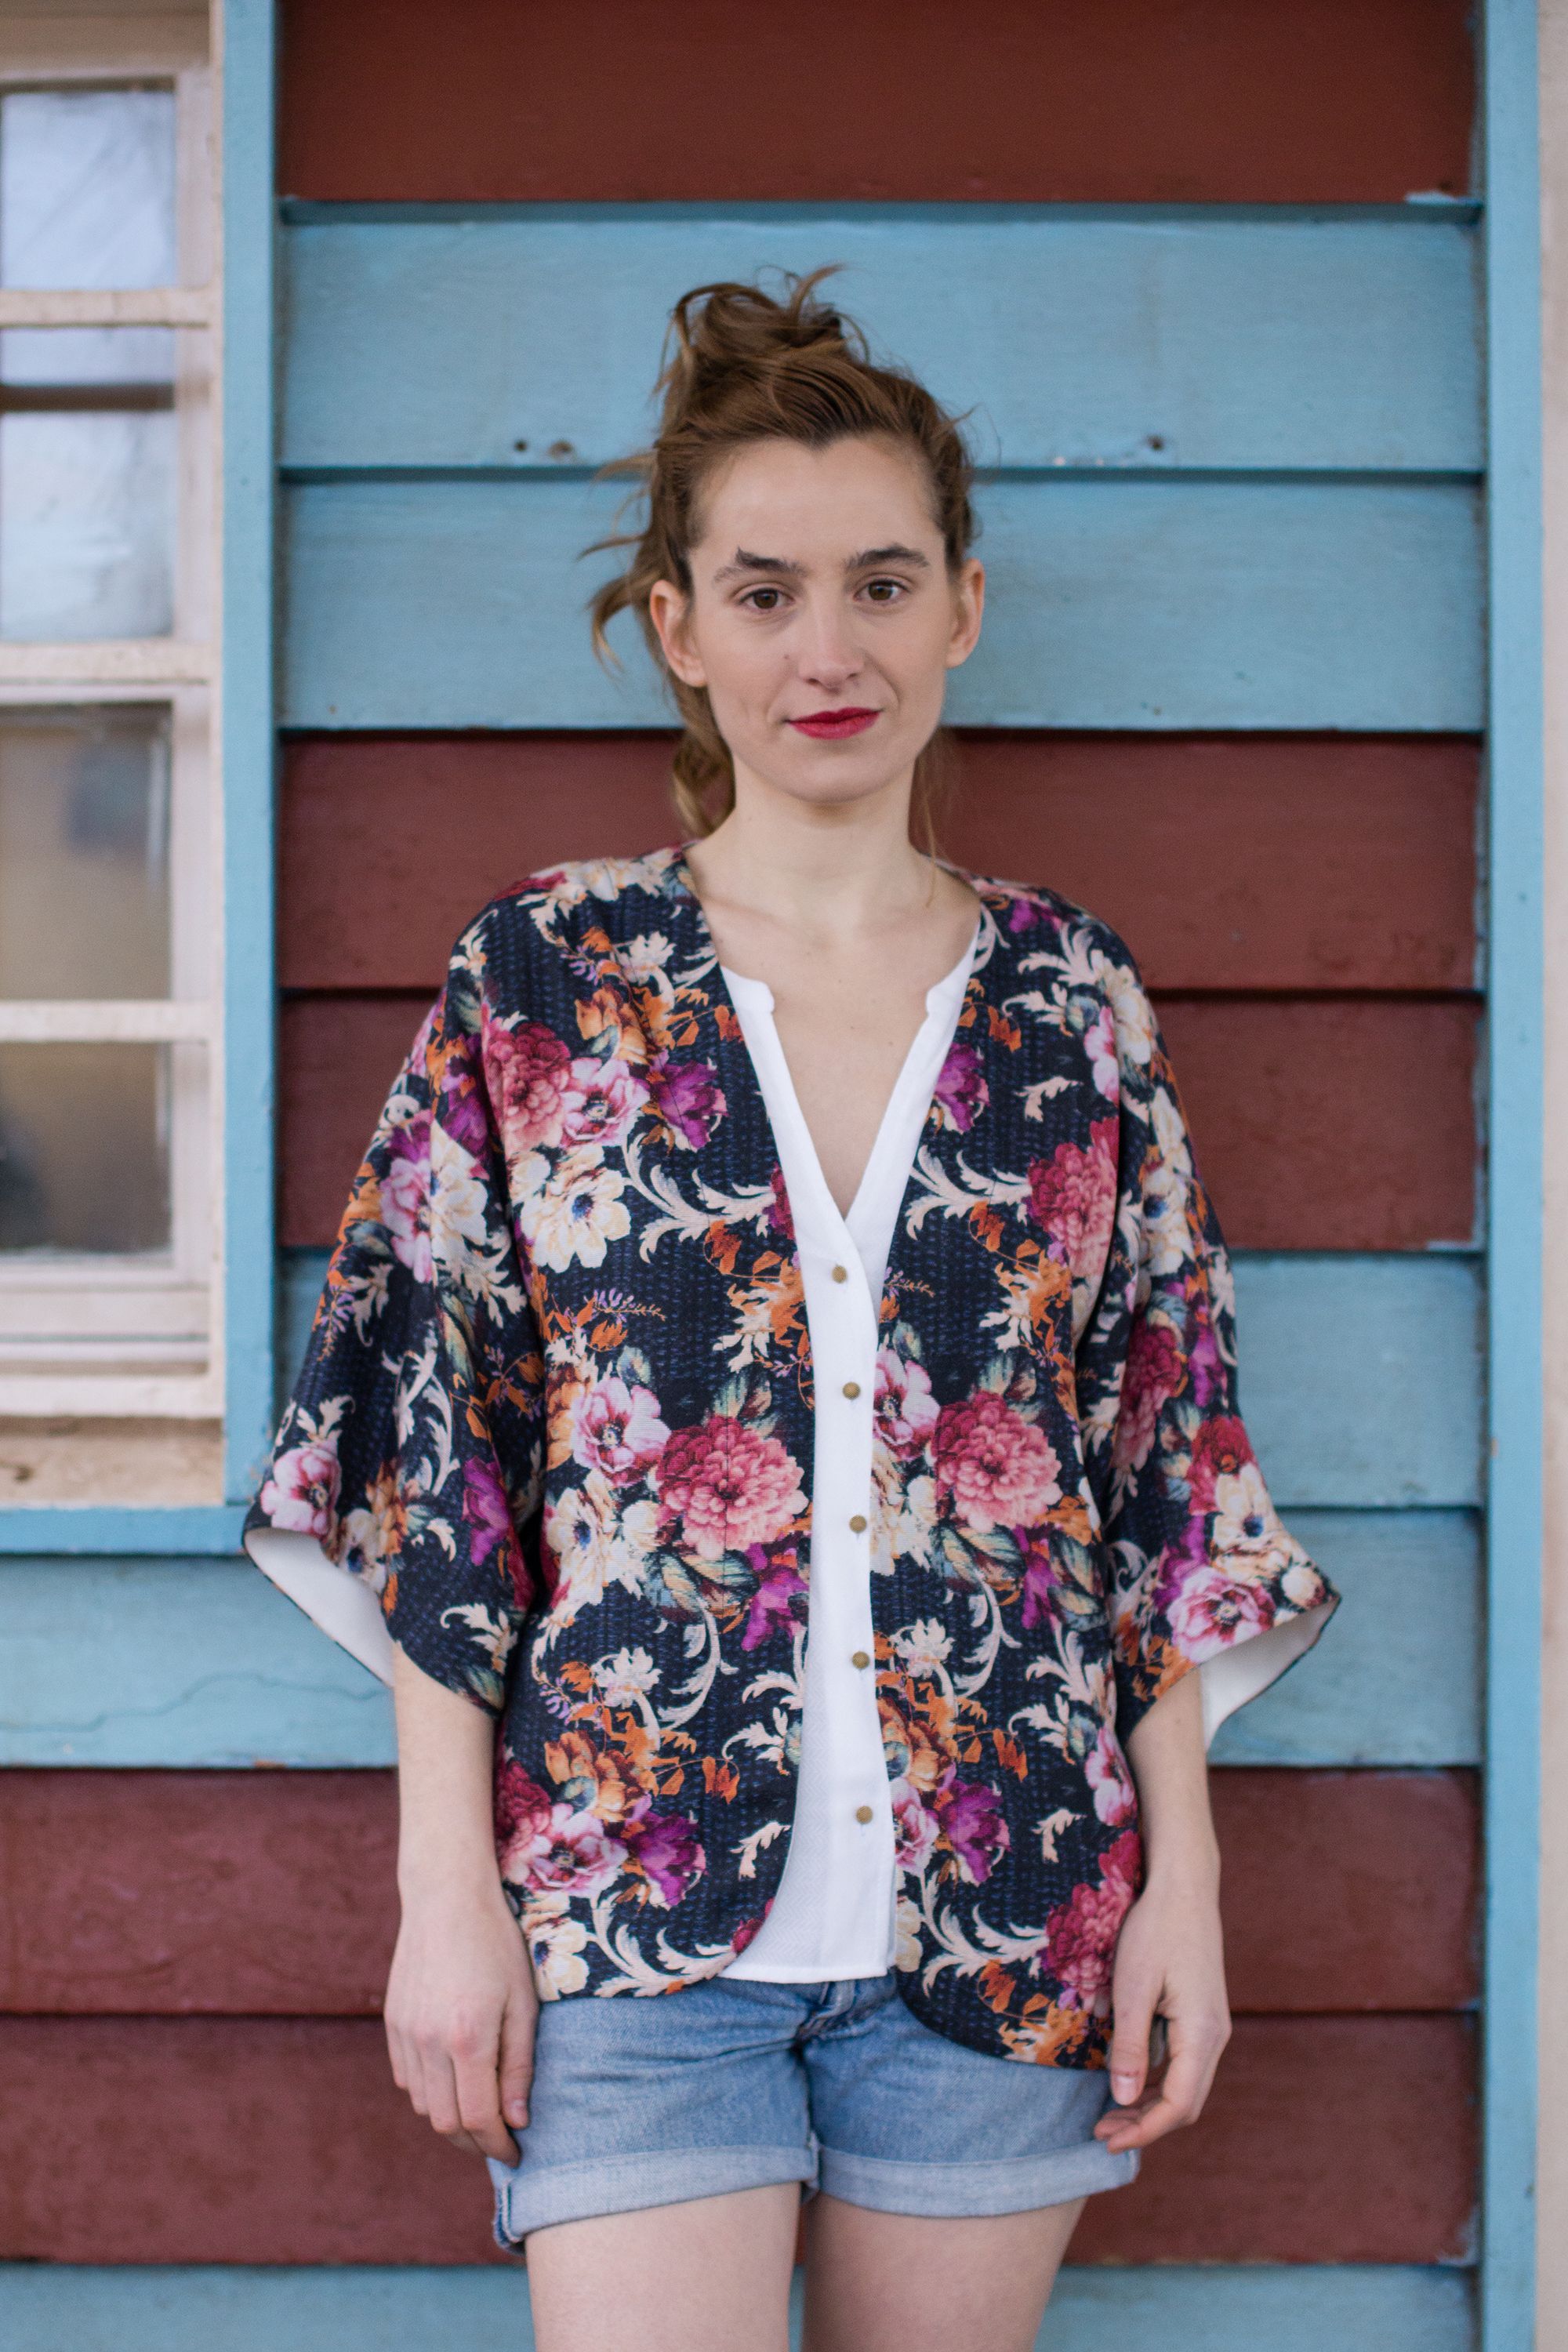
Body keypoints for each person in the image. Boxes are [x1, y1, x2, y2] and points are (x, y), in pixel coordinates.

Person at [244, 270, 1339, 2352]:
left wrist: (1183, 1886)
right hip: (631, 1914)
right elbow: (429, 1465)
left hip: (1010, 1904)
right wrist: (441, 1896)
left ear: (964, 609)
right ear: (680, 629)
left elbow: (1162, 1466)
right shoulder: (542, 980)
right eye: (764, 594)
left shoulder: (1073, 1003)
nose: (827, 650)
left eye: (880, 584)